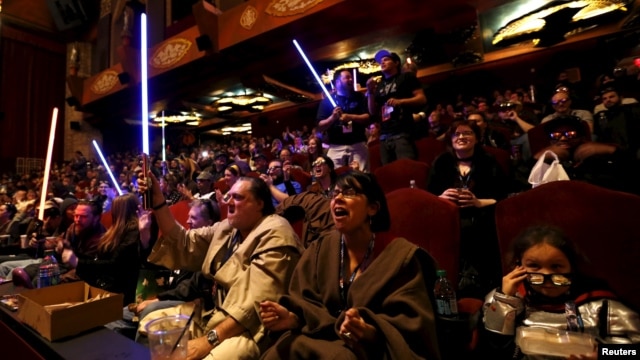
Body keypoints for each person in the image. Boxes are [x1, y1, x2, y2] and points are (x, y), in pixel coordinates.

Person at [259, 171, 440, 360]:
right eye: (334, 193)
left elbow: (411, 326)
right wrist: (291, 318)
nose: (337, 198)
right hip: (317, 339)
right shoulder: (320, 248)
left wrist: (369, 331)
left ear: (373, 207)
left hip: (368, 351)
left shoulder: (401, 257)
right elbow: (304, 302)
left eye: (349, 192)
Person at [140, 173, 303, 359]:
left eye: (239, 197)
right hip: (212, 314)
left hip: (250, 329)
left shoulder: (276, 232)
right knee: (150, 325)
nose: (230, 202)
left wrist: (208, 341)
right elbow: (184, 241)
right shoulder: (228, 227)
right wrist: (159, 202)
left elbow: (255, 305)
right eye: (229, 196)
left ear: (260, 204)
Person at [482, 225, 640, 359]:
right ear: (518, 266)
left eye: (556, 267)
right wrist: (505, 301)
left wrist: (603, 353)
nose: (547, 278)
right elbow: (494, 348)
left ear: (572, 266)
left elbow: (633, 350)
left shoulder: (601, 305)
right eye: (534, 266)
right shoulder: (508, 299)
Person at [428, 120, 509, 298]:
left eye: (467, 133)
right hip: (448, 221)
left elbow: (504, 197)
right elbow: (428, 197)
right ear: (451, 139)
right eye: (457, 134)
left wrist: (478, 202)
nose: (462, 137)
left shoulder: (488, 161)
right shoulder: (441, 162)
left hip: (482, 220)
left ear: (477, 138)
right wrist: (441, 198)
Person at [65, 194, 142, 305]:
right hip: (105, 284)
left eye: (83, 216)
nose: (77, 219)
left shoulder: (133, 233)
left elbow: (114, 265)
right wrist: (75, 255)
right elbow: (99, 259)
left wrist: (78, 262)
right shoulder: (116, 231)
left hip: (118, 292)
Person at [366, 50, 426, 165]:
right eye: (380, 62)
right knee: (390, 172)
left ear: (396, 62)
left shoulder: (406, 77)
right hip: (384, 134)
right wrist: (370, 91)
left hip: (403, 131)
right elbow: (372, 111)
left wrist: (400, 101)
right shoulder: (380, 85)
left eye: (386, 60)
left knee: (407, 168)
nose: (382, 63)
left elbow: (422, 98)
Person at [316, 69, 371, 171]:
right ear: (337, 82)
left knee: (361, 177)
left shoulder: (359, 96)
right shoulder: (327, 101)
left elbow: (367, 117)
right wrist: (332, 118)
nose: (351, 79)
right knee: (336, 179)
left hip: (358, 143)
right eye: (347, 77)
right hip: (336, 146)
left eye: (351, 77)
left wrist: (350, 117)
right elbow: (320, 126)